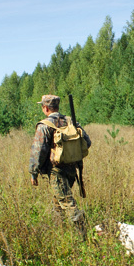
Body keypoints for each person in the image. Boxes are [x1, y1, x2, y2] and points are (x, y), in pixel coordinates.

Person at [29, 95, 91, 239]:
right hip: (72, 170)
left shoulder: (44, 126)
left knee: (68, 204)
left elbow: (38, 151)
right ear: (57, 106)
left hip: (56, 172)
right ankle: (59, 234)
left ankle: (85, 237)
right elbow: (87, 142)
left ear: (45, 108)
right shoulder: (71, 122)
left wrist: (33, 172)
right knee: (58, 203)